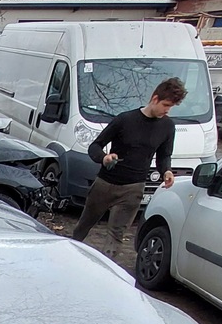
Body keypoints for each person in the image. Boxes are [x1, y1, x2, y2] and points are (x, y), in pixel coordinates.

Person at [72, 76, 187, 258]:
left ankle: (105, 272)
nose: (168, 110)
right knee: (84, 225)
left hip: (133, 188)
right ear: (155, 99)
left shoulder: (167, 126)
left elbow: (164, 155)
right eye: (166, 105)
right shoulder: (125, 120)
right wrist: (104, 158)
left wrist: (166, 171)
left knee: (116, 235)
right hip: (105, 183)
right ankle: (69, 254)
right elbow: (95, 146)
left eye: (171, 106)